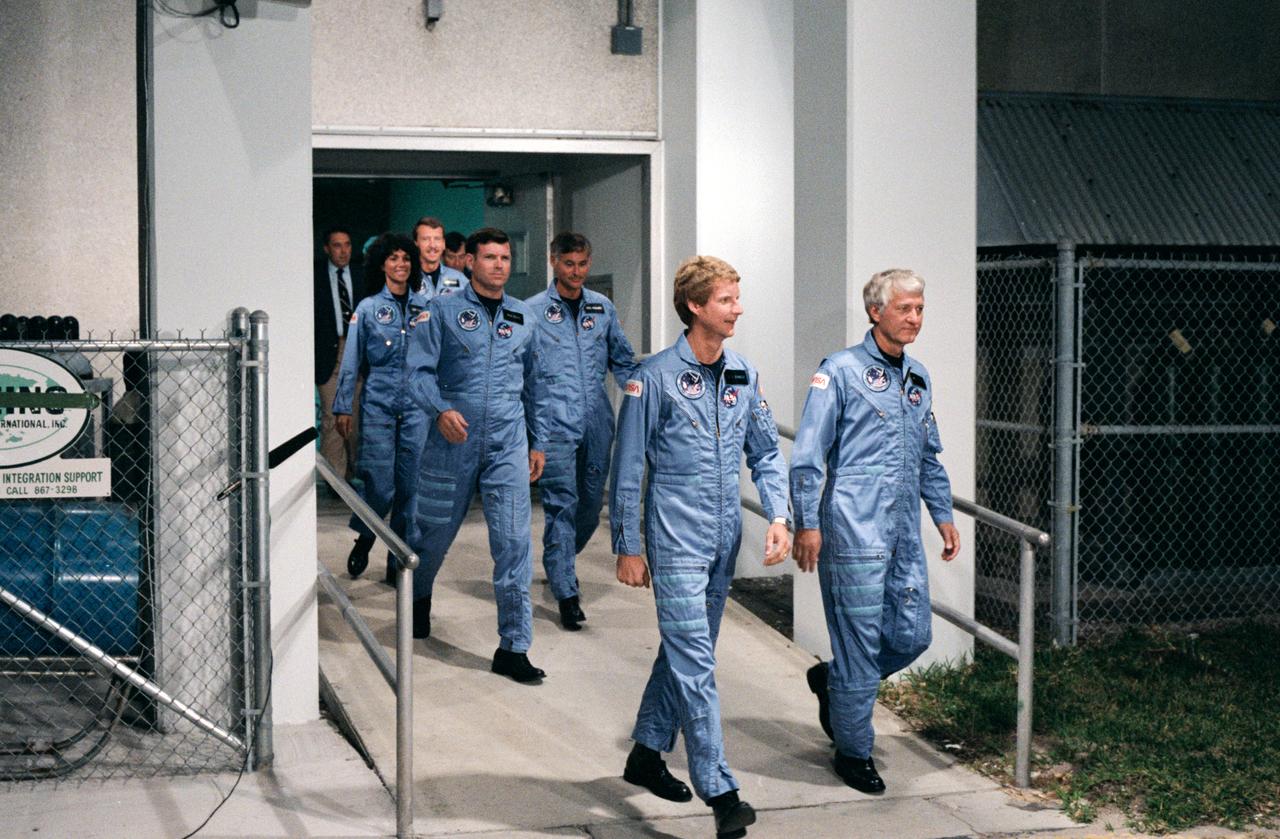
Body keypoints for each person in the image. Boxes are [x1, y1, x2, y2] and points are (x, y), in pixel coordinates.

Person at [611, 255, 789, 839]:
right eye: (727, 300)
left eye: (737, 298)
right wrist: (628, 545)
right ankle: (721, 790)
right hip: (675, 541)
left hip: (723, 540)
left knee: (686, 653)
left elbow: (766, 452)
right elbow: (628, 466)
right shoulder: (654, 377)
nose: (738, 309)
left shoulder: (743, 374)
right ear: (695, 306)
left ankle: (646, 753)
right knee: (697, 663)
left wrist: (779, 515)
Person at [789, 268, 961, 795]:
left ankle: (835, 681)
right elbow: (807, 455)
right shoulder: (839, 372)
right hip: (851, 531)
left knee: (913, 634)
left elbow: (928, 456)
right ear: (875, 312)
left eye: (920, 309)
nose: (915, 318)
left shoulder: (917, 377)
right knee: (861, 647)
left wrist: (943, 515)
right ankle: (853, 752)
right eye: (904, 308)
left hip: (902, 534)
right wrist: (807, 522)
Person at [406, 227, 548, 683]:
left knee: (514, 542)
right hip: (453, 439)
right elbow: (417, 373)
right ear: (470, 262)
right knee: (433, 533)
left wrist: (538, 441)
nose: (499, 265)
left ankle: (513, 646)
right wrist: (440, 409)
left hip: (507, 440)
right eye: (490, 257)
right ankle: (418, 595)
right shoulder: (442, 311)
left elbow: (535, 385)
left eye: (505, 257)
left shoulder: (524, 317)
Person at [525, 232, 638, 630]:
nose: (576, 271)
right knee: (562, 504)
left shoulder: (601, 308)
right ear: (553, 261)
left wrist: (649, 396)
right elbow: (520, 374)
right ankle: (567, 594)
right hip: (553, 422)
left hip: (596, 421)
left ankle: (559, 559)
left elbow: (623, 361)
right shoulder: (532, 312)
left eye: (583, 264)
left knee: (590, 506)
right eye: (569, 263)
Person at [332, 233, 431, 582]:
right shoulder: (368, 308)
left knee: (410, 488)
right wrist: (343, 406)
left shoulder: (426, 308)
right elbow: (351, 361)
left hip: (417, 406)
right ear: (381, 265)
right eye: (393, 258)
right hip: (378, 403)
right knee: (379, 483)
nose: (400, 264)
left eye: (406, 258)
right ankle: (366, 535)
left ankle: (398, 561)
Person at [314, 226, 359, 480]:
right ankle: (334, 480)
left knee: (355, 416)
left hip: (357, 350)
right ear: (327, 248)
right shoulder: (316, 277)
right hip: (329, 352)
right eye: (337, 245)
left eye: (347, 244)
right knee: (331, 416)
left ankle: (354, 473)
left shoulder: (362, 275)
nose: (343, 251)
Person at [413, 217, 468, 300]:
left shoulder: (460, 279)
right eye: (426, 239)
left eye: (437, 239)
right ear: (416, 243)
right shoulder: (406, 278)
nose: (432, 245)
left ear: (443, 244)